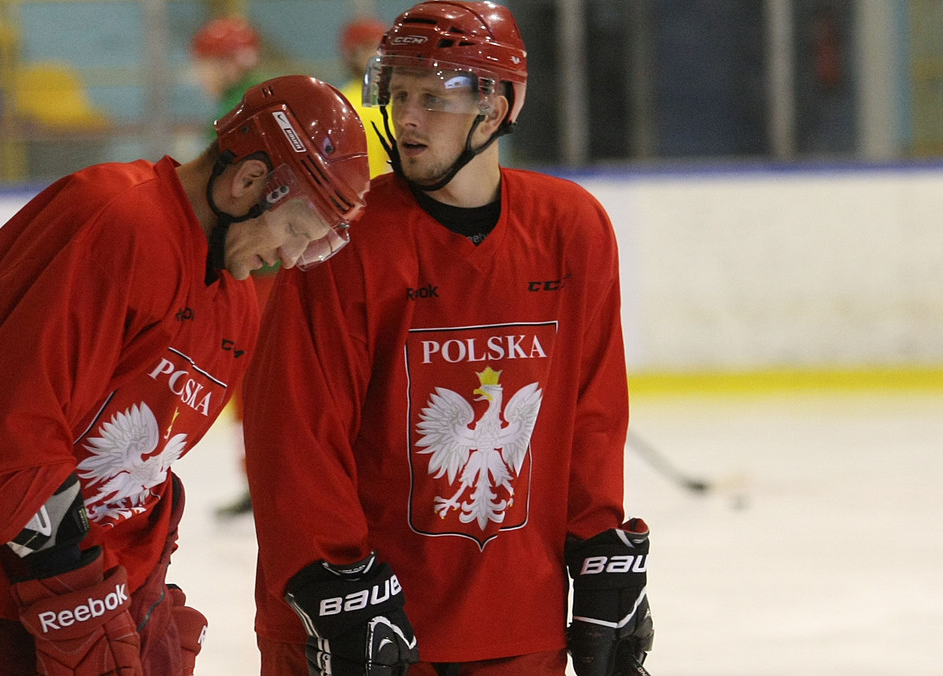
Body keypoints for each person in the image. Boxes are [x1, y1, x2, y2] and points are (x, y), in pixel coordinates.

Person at [0, 75, 369, 675]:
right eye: (293, 230)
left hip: (87, 590)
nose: (290, 258)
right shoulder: (117, 219)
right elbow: (5, 438)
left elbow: (143, 466)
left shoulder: (234, 300)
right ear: (249, 181)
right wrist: (80, 606)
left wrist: (139, 591)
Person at [242, 2, 654, 675]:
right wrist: (333, 583)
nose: (405, 116)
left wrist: (600, 545)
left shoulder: (569, 227)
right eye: (399, 93)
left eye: (432, 97)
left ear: (494, 111)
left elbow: (592, 412)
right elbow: (295, 436)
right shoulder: (342, 241)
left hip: (521, 620)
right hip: (370, 626)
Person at [190, 14, 276, 519]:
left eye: (203, 62)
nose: (198, 73)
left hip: (261, 270)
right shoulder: (256, 101)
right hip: (267, 267)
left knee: (255, 375)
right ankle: (261, 477)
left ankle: (265, 479)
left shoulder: (238, 110)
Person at [337, 16, 392, 178]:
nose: (379, 56)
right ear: (352, 54)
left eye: (384, 48)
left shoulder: (402, 99)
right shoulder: (341, 102)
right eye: (371, 47)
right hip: (363, 195)